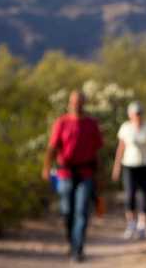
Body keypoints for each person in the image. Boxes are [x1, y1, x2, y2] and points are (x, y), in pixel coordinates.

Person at [42, 90, 103, 263]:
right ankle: (72, 242)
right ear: (69, 103)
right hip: (65, 173)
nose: (76, 104)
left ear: (84, 103)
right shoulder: (61, 122)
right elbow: (52, 148)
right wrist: (46, 167)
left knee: (82, 212)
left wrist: (100, 177)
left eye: (79, 101)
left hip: (86, 173)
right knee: (67, 211)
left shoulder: (91, 124)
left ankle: (78, 249)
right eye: (73, 101)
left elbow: (97, 151)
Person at [112, 101, 146, 240]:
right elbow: (121, 148)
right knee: (130, 195)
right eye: (136, 114)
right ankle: (131, 224)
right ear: (130, 115)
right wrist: (116, 166)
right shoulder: (126, 128)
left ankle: (142, 226)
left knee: (145, 196)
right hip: (129, 165)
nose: (138, 116)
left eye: (140, 113)